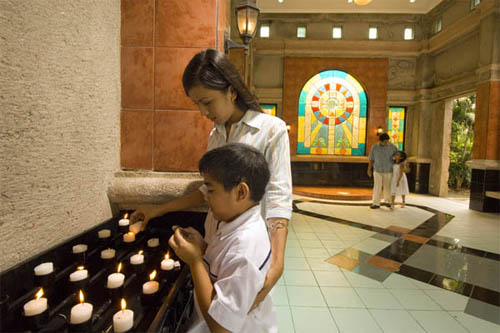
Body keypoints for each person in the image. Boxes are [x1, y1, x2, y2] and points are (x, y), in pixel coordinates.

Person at [130, 49, 292, 310]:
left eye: (207, 102)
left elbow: (278, 198)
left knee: (238, 320)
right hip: (214, 242)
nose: (203, 111)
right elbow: (207, 190)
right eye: (197, 104)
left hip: (248, 249)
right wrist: (156, 210)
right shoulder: (215, 135)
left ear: (231, 91)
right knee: (210, 311)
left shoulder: (271, 130)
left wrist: (277, 263)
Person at [169, 143, 275, 333]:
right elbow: (223, 264)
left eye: (211, 190)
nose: (206, 197)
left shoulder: (245, 249)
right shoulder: (234, 221)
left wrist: (194, 261)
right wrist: (202, 249)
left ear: (241, 192)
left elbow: (221, 327)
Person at [367, 133, 398, 209]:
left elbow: (398, 157)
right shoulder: (374, 147)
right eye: (384, 141)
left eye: (387, 141)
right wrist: (369, 169)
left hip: (389, 170)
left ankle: (388, 201)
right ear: (380, 141)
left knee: (388, 187)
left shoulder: (393, 147)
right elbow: (371, 159)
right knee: (377, 187)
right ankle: (376, 203)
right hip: (377, 170)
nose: (386, 143)